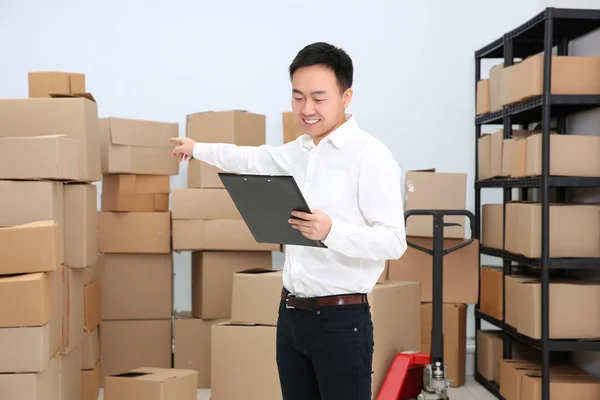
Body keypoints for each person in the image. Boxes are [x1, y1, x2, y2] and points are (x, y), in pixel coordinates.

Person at [170, 42, 407, 400]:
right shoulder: (299, 151)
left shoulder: (370, 156)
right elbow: (250, 159)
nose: (306, 109)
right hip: (292, 316)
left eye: (318, 97)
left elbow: (394, 241)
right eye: (298, 97)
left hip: (342, 321)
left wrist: (331, 232)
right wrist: (197, 148)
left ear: (346, 97)